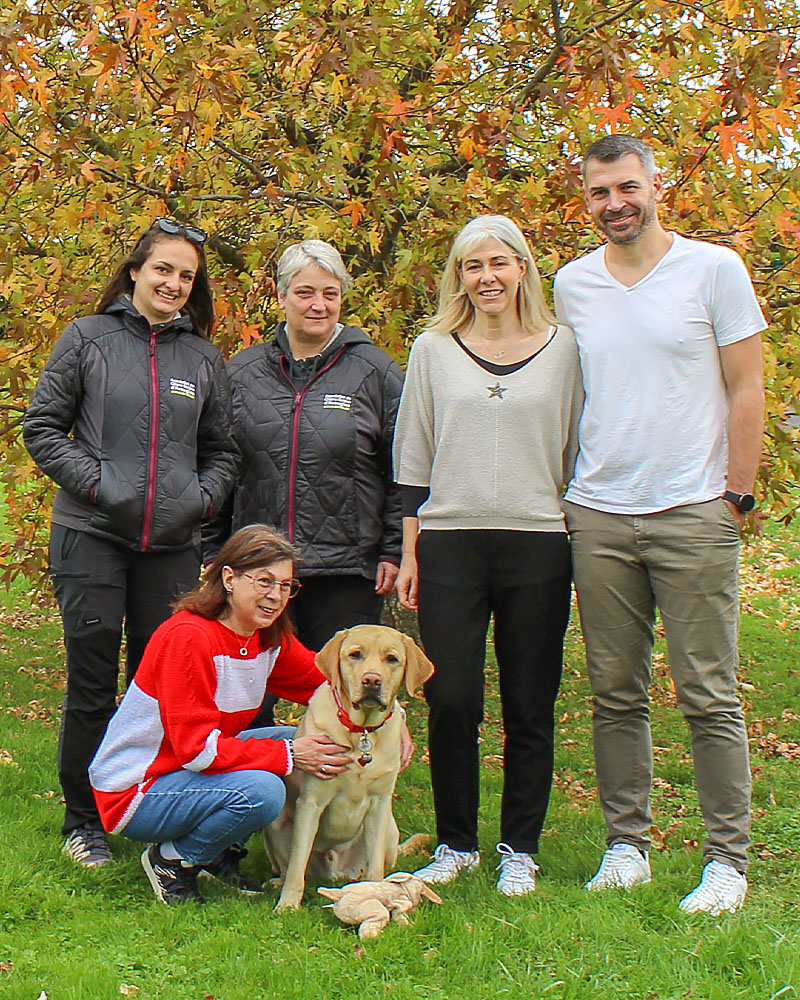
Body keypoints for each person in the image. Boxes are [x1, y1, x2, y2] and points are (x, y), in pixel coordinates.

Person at [554, 134, 766, 914]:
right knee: (615, 691)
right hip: (600, 514)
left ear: (654, 185)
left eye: (627, 188)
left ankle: (727, 862)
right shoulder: (571, 284)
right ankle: (626, 846)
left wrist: (733, 497)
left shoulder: (713, 270)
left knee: (709, 693)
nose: (615, 204)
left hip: (692, 509)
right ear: (586, 199)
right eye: (599, 193)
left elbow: (747, 387)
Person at [23, 218, 239, 870]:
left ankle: (145, 804)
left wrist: (199, 502)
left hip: (171, 548)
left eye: (186, 276)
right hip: (92, 536)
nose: (173, 283)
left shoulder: (202, 359)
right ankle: (84, 819)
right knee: (93, 684)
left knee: (157, 686)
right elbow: (42, 428)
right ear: (137, 270)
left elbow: (223, 452)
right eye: (164, 269)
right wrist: (103, 487)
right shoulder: (87, 339)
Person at [393, 215, 584, 896]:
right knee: (452, 697)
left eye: (500, 263)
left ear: (524, 268)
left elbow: (576, 449)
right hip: (450, 543)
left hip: (538, 539)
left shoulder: (565, 348)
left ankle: (519, 849)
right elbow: (413, 455)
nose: (487, 278)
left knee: (531, 702)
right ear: (458, 277)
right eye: (473, 267)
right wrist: (410, 548)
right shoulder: (433, 350)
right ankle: (457, 844)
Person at [89, 525, 354, 905]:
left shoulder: (266, 636)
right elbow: (198, 752)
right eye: (264, 581)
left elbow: (328, 685)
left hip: (185, 771)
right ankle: (172, 860)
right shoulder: (189, 637)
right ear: (229, 578)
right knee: (264, 791)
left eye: (286, 585)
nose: (276, 596)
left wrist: (385, 719)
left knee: (291, 740)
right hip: (137, 789)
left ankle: (212, 853)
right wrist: (290, 757)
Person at [204, 239, 404, 724]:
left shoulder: (375, 372)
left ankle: (346, 796)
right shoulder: (243, 373)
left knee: (343, 704)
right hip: (257, 569)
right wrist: (212, 550)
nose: (319, 305)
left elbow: (403, 469)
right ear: (281, 296)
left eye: (330, 294)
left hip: (346, 567)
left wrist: (393, 550)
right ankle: (252, 795)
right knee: (245, 704)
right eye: (305, 292)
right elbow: (219, 462)